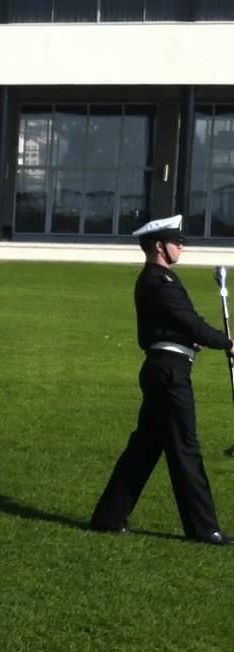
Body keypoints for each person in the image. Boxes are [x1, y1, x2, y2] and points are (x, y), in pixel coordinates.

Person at [92, 215, 233, 545]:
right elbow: (189, 321)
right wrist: (226, 342)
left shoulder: (158, 280)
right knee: (185, 448)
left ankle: (108, 517)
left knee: (144, 448)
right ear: (159, 245)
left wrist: (192, 340)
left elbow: (175, 326)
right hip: (169, 374)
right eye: (177, 241)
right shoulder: (160, 281)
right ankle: (203, 529)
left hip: (164, 369)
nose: (182, 245)